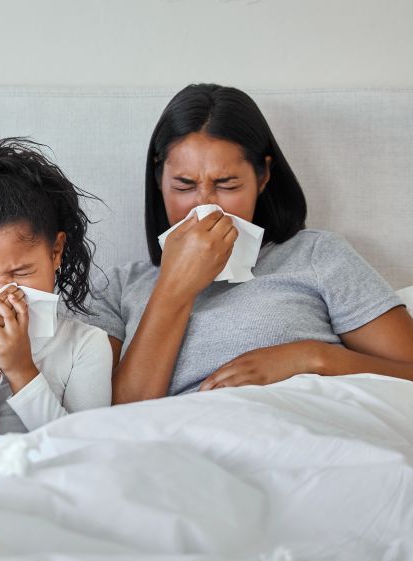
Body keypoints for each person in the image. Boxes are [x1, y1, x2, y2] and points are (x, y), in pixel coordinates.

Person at [85, 84, 413, 404]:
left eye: (227, 185)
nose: (205, 206)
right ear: (160, 179)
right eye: (184, 186)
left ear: (263, 176)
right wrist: (174, 287)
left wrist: (313, 358)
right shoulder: (117, 288)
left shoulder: (317, 255)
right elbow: (111, 418)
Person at [0, 138, 112, 458]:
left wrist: (20, 368)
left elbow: (82, 453)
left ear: (56, 252)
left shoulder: (86, 345)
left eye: (22, 272)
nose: (3, 293)